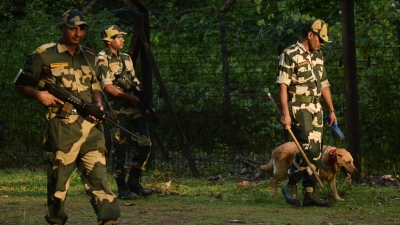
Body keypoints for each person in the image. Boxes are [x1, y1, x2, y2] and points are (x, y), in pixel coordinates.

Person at [13, 9, 121, 224]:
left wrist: (98, 103)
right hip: (61, 127)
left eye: (81, 28)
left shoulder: (90, 56)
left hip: (91, 126)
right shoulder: (43, 54)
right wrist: (38, 94)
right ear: (62, 28)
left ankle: (108, 220)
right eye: (72, 27)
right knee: (58, 184)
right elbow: (19, 84)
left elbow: (95, 84)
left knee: (99, 179)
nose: (77, 32)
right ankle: (56, 220)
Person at [276, 19, 337, 207]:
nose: (322, 43)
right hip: (298, 107)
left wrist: (331, 110)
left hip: (316, 107)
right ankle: (291, 183)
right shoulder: (289, 54)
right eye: (320, 39)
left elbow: (324, 85)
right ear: (310, 35)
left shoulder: (318, 56)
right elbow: (283, 85)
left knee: (316, 152)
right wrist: (286, 113)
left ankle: (309, 193)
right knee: (308, 148)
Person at [96, 25, 153, 200]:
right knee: (119, 148)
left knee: (145, 143)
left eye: (122, 36)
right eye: (118, 37)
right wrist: (129, 97)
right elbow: (108, 87)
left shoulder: (127, 58)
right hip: (117, 110)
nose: (122, 39)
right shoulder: (102, 59)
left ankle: (134, 181)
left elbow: (135, 82)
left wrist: (143, 103)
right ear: (109, 41)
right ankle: (121, 187)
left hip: (133, 108)